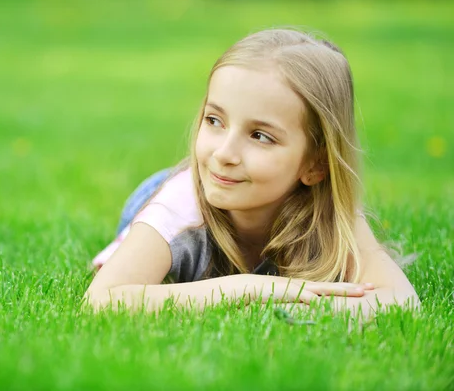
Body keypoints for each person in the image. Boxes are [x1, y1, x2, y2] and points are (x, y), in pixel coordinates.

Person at [83, 28, 420, 317]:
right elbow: (101, 300)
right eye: (214, 121)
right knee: (160, 204)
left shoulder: (329, 212)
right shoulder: (177, 209)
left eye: (260, 136)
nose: (224, 153)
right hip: (170, 190)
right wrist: (249, 288)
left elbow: (402, 300)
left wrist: (314, 306)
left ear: (315, 165)